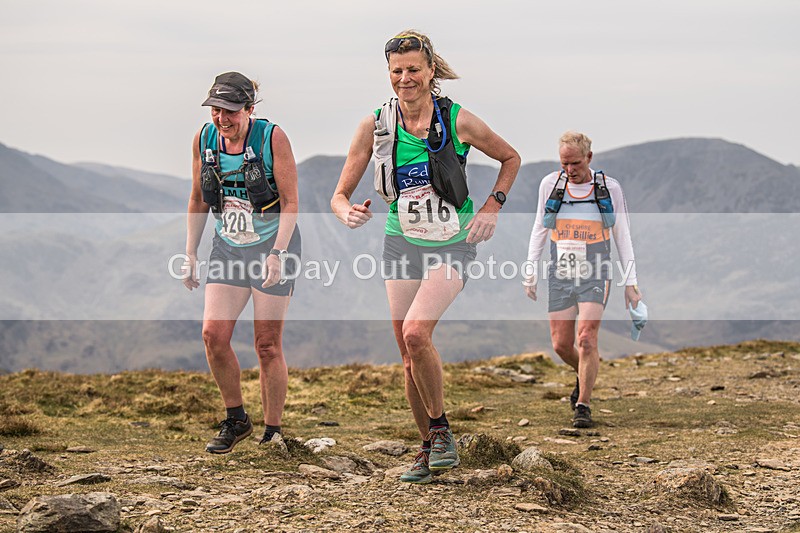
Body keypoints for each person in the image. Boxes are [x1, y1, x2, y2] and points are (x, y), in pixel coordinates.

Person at [331, 31, 520, 484]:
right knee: (407, 352)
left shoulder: (457, 120)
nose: (405, 78)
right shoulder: (376, 125)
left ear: (432, 70)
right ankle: (427, 448)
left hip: (453, 240)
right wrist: (347, 212)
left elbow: (510, 158)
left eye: (413, 69)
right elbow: (338, 195)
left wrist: (493, 207)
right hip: (402, 240)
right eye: (397, 71)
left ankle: (440, 431)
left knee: (417, 332)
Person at [183, 72, 301, 453]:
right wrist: (190, 253)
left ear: (249, 109)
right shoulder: (204, 139)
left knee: (266, 344)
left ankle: (273, 431)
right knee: (213, 336)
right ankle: (236, 419)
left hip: (272, 246)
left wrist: (278, 253)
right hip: (229, 246)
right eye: (216, 110)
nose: (222, 118)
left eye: (231, 111)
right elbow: (199, 199)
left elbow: (291, 202)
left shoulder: (271, 138)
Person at [524, 131, 642, 428]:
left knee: (587, 339)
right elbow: (540, 227)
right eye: (564, 164)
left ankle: (583, 405)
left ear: (589, 158)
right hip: (561, 271)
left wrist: (631, 282)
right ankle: (585, 373)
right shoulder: (551, 185)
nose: (570, 170)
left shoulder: (608, 188)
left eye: (575, 163)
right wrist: (530, 269)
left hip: (596, 269)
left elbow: (622, 235)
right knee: (562, 345)